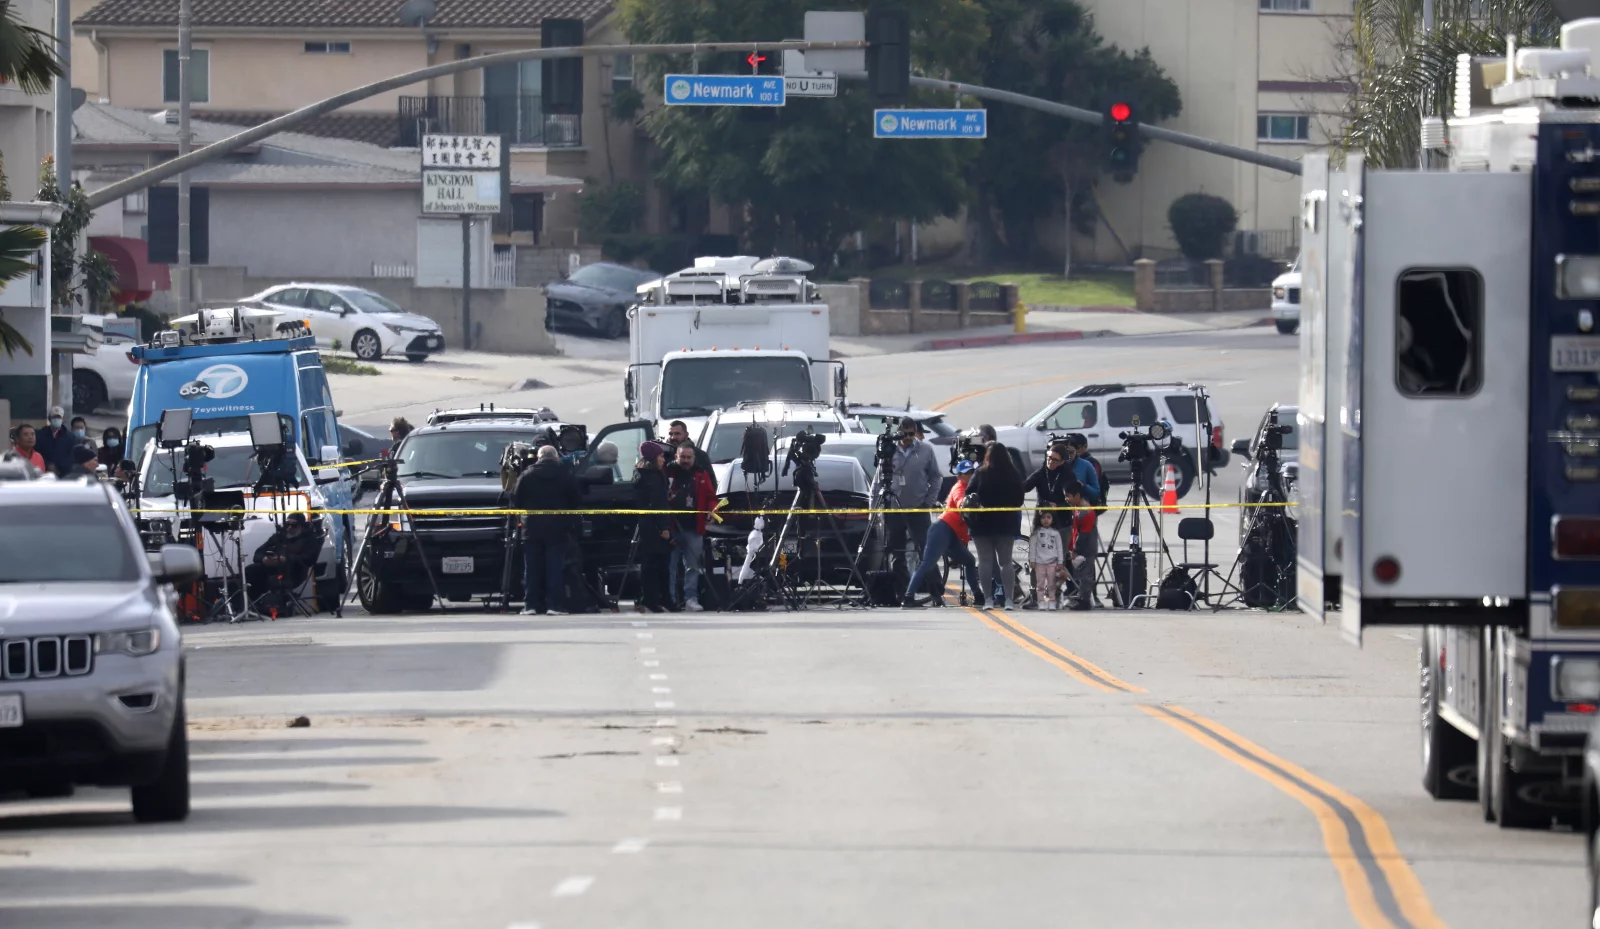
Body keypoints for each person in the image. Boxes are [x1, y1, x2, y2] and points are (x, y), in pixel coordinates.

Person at [513, 445, 581, 616]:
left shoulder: (527, 474)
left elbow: (516, 500)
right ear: (555, 457)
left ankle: (530, 605)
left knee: (532, 569)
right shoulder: (565, 474)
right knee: (554, 568)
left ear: (538, 457)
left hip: (532, 528)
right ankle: (554, 605)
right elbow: (576, 500)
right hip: (558, 528)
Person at [902, 460, 980, 608]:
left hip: (952, 534)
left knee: (969, 561)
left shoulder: (970, 488)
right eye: (966, 473)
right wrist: (966, 503)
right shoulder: (960, 487)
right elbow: (960, 501)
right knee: (927, 564)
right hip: (942, 529)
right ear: (959, 475)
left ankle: (978, 594)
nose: (969, 476)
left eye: (971, 473)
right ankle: (908, 597)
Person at [964, 441, 1025, 609]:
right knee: (1006, 562)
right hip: (1005, 523)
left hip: (982, 524)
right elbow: (1020, 499)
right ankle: (1009, 600)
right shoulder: (1013, 474)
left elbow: (968, 495)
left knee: (985, 561)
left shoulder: (980, 473)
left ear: (987, 457)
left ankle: (988, 599)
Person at [887, 415, 943, 600]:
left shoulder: (926, 450)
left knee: (926, 552)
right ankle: (903, 593)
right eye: (905, 433)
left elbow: (936, 477)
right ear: (899, 432)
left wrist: (929, 500)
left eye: (912, 433)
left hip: (918, 509)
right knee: (898, 555)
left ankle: (937, 594)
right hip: (895, 509)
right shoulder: (889, 450)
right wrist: (875, 507)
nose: (908, 438)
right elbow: (880, 480)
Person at [665, 441, 716, 612]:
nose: (685, 460)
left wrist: (711, 512)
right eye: (682, 457)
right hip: (672, 527)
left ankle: (691, 598)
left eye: (689, 457)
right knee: (670, 566)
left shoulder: (701, 473)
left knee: (693, 566)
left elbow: (711, 497)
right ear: (676, 456)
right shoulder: (667, 473)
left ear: (694, 457)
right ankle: (669, 599)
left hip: (694, 527)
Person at [246, 513, 321, 605]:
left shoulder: (308, 539)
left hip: (293, 571)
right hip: (272, 568)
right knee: (251, 570)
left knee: (274, 575)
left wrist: (286, 559)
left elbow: (309, 559)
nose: (289, 528)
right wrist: (264, 559)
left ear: (301, 526)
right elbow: (257, 553)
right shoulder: (278, 537)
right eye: (287, 524)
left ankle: (276, 604)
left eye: (294, 525)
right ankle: (252, 605)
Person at [634, 441, 673, 612]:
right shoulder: (654, 477)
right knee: (659, 565)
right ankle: (658, 599)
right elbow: (658, 504)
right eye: (660, 457)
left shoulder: (640, 474)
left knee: (648, 564)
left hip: (645, 526)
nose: (663, 460)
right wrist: (664, 527)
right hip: (655, 526)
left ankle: (648, 597)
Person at [1063, 480, 1098, 611]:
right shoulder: (1078, 509)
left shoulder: (1086, 512)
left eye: (1068, 496)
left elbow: (1084, 534)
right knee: (1081, 574)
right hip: (1079, 548)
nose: (1066, 499)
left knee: (1086, 575)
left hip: (1086, 548)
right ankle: (1082, 597)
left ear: (1077, 496)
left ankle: (1085, 600)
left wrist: (1076, 549)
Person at [1029, 510, 1065, 611]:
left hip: (1052, 562)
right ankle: (1041, 601)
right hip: (1039, 563)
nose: (1046, 520)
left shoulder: (1056, 533)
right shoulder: (1036, 533)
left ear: (1052, 519)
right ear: (1039, 519)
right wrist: (1033, 560)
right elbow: (1032, 547)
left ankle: (1052, 601)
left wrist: (1060, 562)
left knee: (1052, 584)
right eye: (1043, 517)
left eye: (1048, 517)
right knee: (1040, 584)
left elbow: (1059, 548)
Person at [1069, 433, 1108, 508]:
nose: (1077, 451)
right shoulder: (1068, 462)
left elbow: (1095, 486)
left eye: (1078, 448)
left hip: (1090, 503)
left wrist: (1082, 485)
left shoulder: (1091, 463)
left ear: (1085, 446)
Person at [34, 406, 74, 475]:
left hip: (64, 474)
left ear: (63, 419)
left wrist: (59, 467)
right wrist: (48, 464)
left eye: (59, 417)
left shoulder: (71, 437)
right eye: (54, 417)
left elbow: (72, 456)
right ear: (49, 418)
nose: (56, 419)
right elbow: (36, 452)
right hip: (44, 472)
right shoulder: (40, 435)